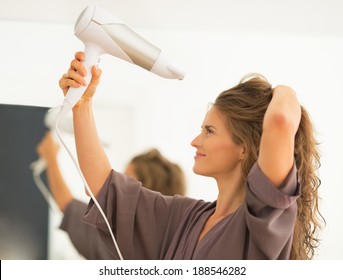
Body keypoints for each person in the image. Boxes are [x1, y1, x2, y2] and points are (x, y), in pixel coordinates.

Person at [58, 51, 323, 260]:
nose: (195, 141)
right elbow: (103, 187)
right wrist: (82, 105)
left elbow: (279, 119)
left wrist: (275, 90)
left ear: (244, 147)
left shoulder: (263, 220)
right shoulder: (183, 218)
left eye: (209, 131)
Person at [36, 132, 186, 259]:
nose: (120, 185)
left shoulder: (117, 239)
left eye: (127, 179)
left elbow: (67, 205)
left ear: (146, 193)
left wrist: (51, 159)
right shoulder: (178, 245)